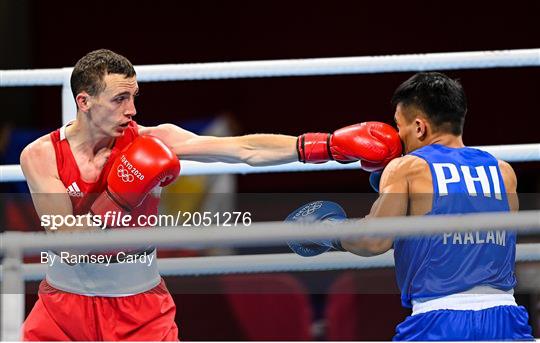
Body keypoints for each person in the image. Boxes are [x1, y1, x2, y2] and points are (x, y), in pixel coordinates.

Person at [18, 49, 401, 341]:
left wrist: (326, 146)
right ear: (83, 102)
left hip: (140, 306)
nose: (132, 110)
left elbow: (242, 149)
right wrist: (119, 197)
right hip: (63, 307)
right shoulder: (41, 155)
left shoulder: (152, 139)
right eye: (120, 99)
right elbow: (65, 237)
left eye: (135, 97)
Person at [290, 72, 534, 340]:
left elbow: (372, 240)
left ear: (419, 127)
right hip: (507, 319)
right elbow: (484, 244)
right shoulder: (504, 172)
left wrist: (327, 230)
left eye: (399, 126)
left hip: (438, 319)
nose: (397, 136)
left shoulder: (407, 167)